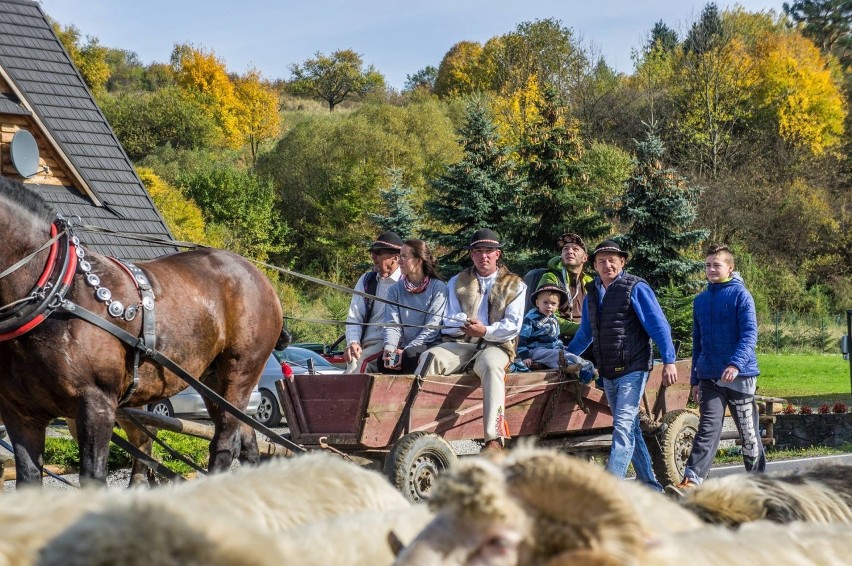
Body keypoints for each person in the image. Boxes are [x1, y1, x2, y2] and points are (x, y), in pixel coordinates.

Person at [567, 240, 678, 491]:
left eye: (612, 259)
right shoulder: (592, 293)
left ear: (622, 262)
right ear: (594, 265)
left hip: (633, 367)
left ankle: (608, 490)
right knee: (630, 428)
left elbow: (658, 326)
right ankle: (650, 485)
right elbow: (585, 333)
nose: (608, 264)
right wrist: (564, 356)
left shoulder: (635, 287)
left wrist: (669, 360)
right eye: (602, 261)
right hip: (607, 371)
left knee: (623, 427)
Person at [416, 228, 526, 451]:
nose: (483, 256)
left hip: (497, 344)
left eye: (489, 251)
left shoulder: (516, 285)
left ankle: (493, 439)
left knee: (490, 364)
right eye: (478, 251)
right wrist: (464, 324)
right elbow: (448, 319)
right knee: (430, 357)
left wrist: (485, 330)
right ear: (471, 255)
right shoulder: (458, 281)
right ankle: (416, 428)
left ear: (498, 254)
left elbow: (512, 326)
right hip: (463, 342)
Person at [667, 244, 764, 496]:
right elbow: (697, 342)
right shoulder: (700, 301)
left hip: (740, 376)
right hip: (710, 377)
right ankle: (691, 481)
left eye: (716, 265)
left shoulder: (741, 296)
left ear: (730, 268)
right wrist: (696, 380)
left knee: (748, 432)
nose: (710, 269)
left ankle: (758, 484)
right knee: (707, 429)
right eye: (707, 265)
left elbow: (750, 335)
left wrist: (735, 364)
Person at [380, 239, 448, 374]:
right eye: (400, 256)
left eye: (404, 257)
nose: (399, 261)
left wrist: (406, 350)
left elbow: (432, 328)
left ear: (418, 260)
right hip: (404, 347)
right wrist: (390, 347)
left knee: (409, 357)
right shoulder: (395, 290)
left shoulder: (437, 287)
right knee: (384, 362)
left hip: (429, 345)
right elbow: (392, 324)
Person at [343, 231, 403, 374]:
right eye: (372, 252)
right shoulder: (366, 280)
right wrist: (353, 342)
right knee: (351, 364)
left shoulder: (405, 282)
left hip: (393, 345)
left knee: (361, 364)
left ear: (395, 257)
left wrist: (395, 351)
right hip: (365, 345)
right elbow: (354, 316)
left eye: (379, 252)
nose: (373, 256)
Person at [517, 283, 596, 381]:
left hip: (551, 349)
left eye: (553, 304)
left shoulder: (554, 319)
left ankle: (588, 369)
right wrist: (525, 356)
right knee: (555, 355)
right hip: (535, 350)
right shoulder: (530, 318)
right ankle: (580, 370)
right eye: (545, 303)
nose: (549, 306)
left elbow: (556, 338)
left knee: (568, 353)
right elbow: (522, 339)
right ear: (537, 303)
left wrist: (562, 346)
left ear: (557, 306)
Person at [536, 233, 593, 342]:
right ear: (561, 256)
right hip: (556, 338)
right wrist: (582, 328)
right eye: (565, 249)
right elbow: (546, 316)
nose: (570, 251)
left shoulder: (589, 282)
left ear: (585, 258)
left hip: (586, 337)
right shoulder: (551, 277)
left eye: (575, 249)